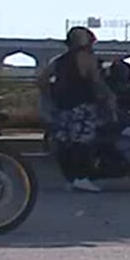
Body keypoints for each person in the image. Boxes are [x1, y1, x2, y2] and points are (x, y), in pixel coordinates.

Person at [36, 26, 117, 193]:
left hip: (62, 107)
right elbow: (96, 81)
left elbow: (42, 80)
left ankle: (70, 179)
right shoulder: (87, 59)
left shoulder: (59, 60)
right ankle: (83, 177)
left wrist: (51, 97)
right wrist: (109, 97)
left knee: (64, 143)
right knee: (83, 143)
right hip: (82, 106)